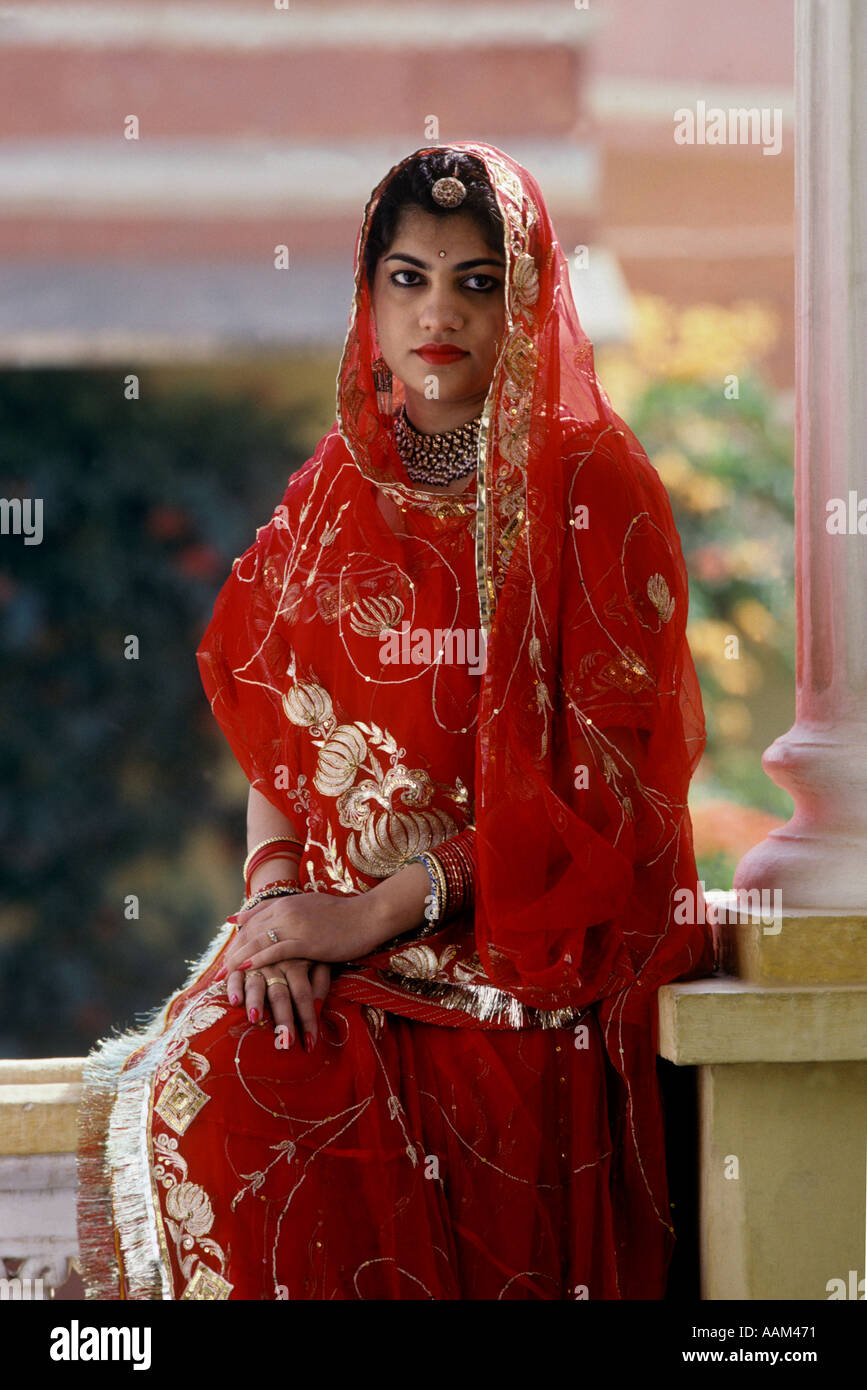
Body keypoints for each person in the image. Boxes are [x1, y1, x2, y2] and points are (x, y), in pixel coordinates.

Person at [77, 142, 712, 1301]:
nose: (440, 312)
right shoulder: (336, 485)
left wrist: (370, 911)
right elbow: (278, 723)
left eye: (477, 281)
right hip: (331, 924)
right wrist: (278, 905)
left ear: (523, 300)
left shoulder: (591, 485)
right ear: (367, 299)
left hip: (521, 955)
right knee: (216, 1078)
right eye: (408, 278)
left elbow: (606, 797)